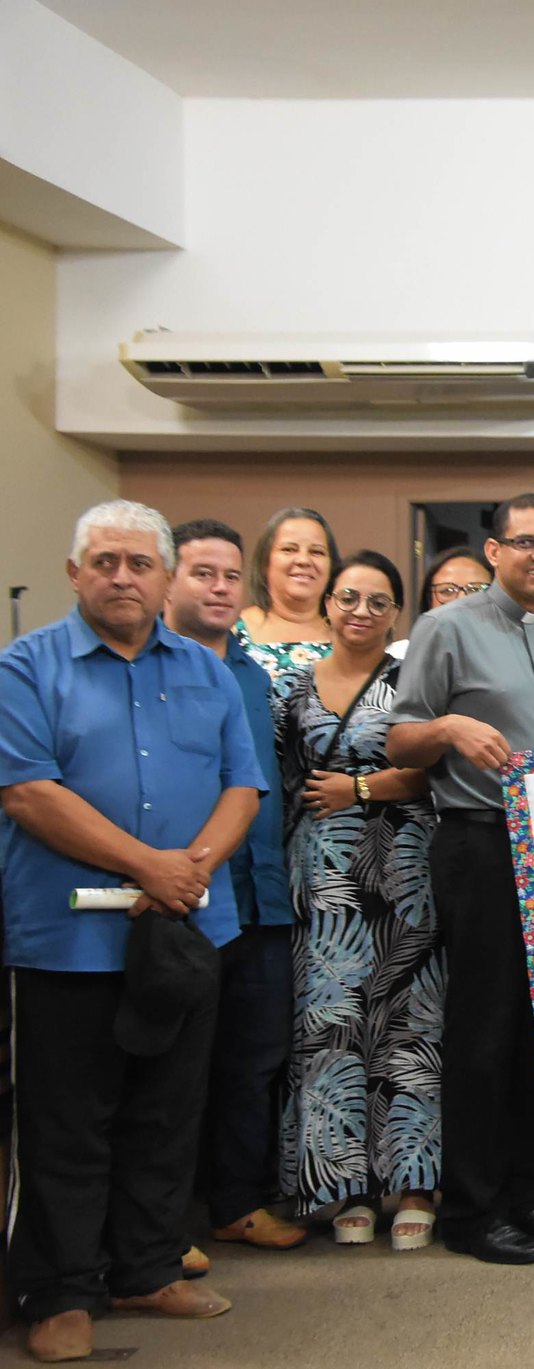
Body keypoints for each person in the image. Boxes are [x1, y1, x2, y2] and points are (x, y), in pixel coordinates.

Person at [0, 500, 263, 1360]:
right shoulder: (26, 666)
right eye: (104, 561)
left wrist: (187, 869)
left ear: (162, 579)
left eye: (138, 563)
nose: (122, 576)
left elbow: (242, 785)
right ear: (76, 572)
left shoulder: (206, 669)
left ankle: (146, 1268)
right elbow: (29, 792)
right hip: (67, 938)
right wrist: (149, 864)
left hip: (187, 930)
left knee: (167, 1108)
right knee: (69, 1118)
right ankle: (61, 1289)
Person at [386, 493, 534, 1266]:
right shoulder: (445, 628)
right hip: (478, 845)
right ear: (497, 550)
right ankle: (472, 1211)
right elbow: (400, 741)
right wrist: (445, 728)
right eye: (524, 543)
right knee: (482, 1034)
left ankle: (527, 1194)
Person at [274, 551, 441, 1251]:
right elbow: (279, 786)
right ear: (329, 604)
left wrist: (362, 788)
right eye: (349, 597)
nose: (362, 611)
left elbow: (441, 773)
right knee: (332, 1025)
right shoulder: (291, 688)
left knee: (408, 1022)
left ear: (397, 612)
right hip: (324, 877)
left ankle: (413, 1181)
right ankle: (344, 1183)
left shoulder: (418, 684)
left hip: (406, 866)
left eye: (378, 600)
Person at [164, 520, 305, 1253]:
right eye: (201, 574)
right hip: (184, 898)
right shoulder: (150, 669)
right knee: (176, 1069)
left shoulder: (255, 675)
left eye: (228, 577)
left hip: (264, 894)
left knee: (254, 1059)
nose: (219, 589)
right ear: (170, 580)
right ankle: (164, 1227)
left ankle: (236, 1202)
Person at [233, 507, 337, 680]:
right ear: (265, 562)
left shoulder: (349, 635)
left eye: (316, 552)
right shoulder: (233, 632)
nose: (304, 560)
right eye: (289, 549)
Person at [389, 546, 490, 661]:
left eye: (475, 590)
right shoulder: (400, 657)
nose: (461, 600)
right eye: (447, 591)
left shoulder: (511, 656)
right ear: (429, 600)